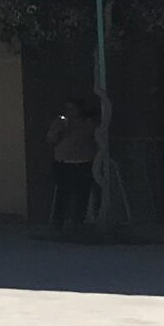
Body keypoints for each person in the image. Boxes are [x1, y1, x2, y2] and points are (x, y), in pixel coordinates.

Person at [47, 95, 103, 232]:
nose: (69, 112)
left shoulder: (88, 123)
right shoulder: (61, 122)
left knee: (82, 193)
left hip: (84, 161)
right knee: (62, 193)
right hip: (64, 162)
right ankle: (58, 221)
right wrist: (59, 130)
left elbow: (94, 136)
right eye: (67, 109)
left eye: (73, 109)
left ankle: (78, 221)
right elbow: (51, 139)